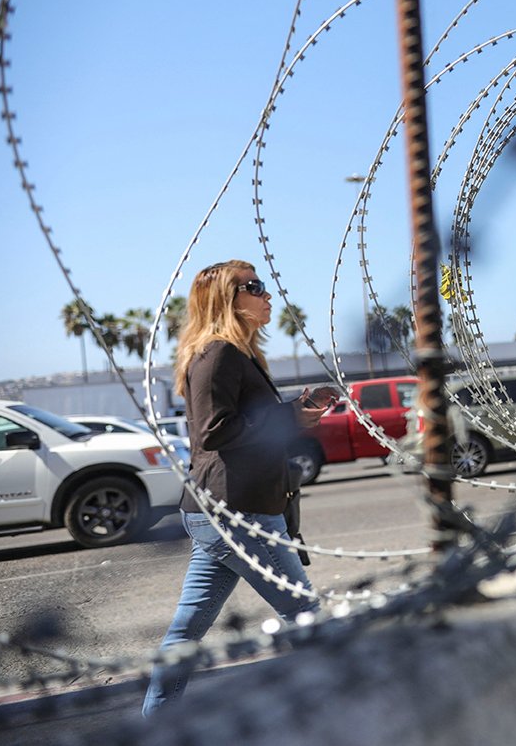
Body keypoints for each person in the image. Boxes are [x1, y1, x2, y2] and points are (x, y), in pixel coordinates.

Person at [142, 260, 334, 715]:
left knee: (187, 631)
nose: (267, 295)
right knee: (304, 614)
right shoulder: (218, 353)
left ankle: (156, 724)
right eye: (255, 287)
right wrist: (287, 417)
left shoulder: (238, 354)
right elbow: (214, 430)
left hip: (230, 508)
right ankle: (342, 711)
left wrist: (295, 412)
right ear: (226, 299)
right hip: (236, 511)